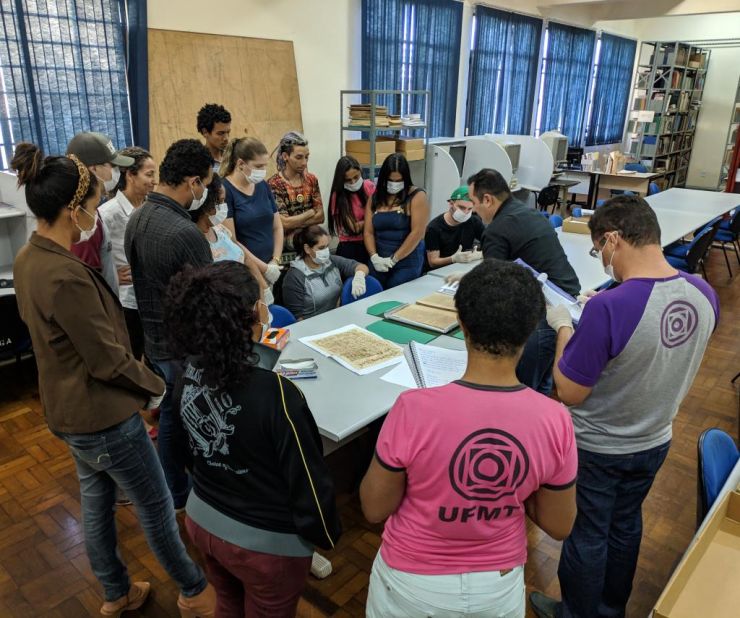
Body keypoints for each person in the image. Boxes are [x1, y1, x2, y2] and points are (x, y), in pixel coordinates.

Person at [10, 143, 216, 618]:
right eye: (90, 204)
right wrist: (156, 387)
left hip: (67, 409)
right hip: (100, 412)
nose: (94, 215)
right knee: (157, 505)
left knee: (97, 499)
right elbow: (107, 361)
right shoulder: (65, 275)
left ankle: (115, 591)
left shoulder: (28, 259)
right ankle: (194, 590)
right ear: (71, 210)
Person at [529, 196, 719, 618]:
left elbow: (568, 390)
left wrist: (564, 326)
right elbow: (657, 341)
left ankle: (576, 614)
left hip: (599, 446)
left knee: (587, 533)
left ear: (613, 239)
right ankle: (612, 608)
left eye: (599, 250)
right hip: (655, 438)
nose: (601, 258)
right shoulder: (703, 292)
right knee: (626, 524)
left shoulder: (608, 308)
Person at [360, 259, 578, 618]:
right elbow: (559, 524)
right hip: (498, 585)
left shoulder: (413, 408)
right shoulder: (555, 419)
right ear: (531, 331)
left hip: (409, 582)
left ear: (461, 325)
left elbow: (374, 507)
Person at [164, 260, 341, 617]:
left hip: (202, 518)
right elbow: (307, 479)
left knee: (228, 602)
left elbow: (180, 446)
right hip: (263, 545)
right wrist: (323, 535)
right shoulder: (278, 393)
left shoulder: (188, 373)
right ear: (252, 314)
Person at [125, 139, 214, 511]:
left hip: (156, 342)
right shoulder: (184, 233)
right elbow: (210, 298)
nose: (204, 192)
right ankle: (177, 493)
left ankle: (174, 487)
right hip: (185, 348)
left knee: (172, 416)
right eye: (204, 184)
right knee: (180, 421)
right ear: (192, 181)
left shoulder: (137, 218)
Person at [465, 168, 580, 395]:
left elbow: (493, 290)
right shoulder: (526, 212)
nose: (473, 209)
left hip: (542, 314)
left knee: (524, 390)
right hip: (565, 306)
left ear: (487, 199)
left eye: (473, 202)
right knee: (543, 383)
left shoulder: (497, 230)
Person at [98, 146, 157, 359]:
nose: (153, 180)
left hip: (151, 295)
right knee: (131, 353)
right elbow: (95, 254)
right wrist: (113, 273)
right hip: (127, 300)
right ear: (130, 175)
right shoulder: (108, 213)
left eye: (154, 175)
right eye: (148, 175)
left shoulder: (150, 205)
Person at [190, 174, 274, 305]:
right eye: (221, 201)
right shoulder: (194, 240)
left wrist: (263, 291)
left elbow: (245, 258)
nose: (224, 207)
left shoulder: (221, 230)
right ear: (206, 204)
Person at [66, 131, 135, 291]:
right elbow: (85, 286)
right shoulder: (84, 223)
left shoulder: (91, 212)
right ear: (93, 169)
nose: (117, 172)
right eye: (112, 165)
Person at [220, 137, 283, 290]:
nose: (262, 171)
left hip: (271, 267)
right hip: (246, 271)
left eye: (264, 166)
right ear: (241, 164)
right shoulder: (225, 190)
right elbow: (231, 240)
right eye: (258, 166)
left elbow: (277, 227)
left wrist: (275, 261)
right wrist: (263, 268)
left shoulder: (263, 186)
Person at [364, 153, 429, 288]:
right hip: (379, 260)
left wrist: (394, 259)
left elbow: (417, 233)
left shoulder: (417, 196)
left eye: (398, 181)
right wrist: (374, 257)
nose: (394, 184)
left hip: (406, 260)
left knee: (396, 294)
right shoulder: (375, 198)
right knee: (374, 293)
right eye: (390, 180)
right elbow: (368, 232)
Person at [282, 225, 369, 320]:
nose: (326, 251)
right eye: (321, 248)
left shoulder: (331, 261)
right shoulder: (295, 276)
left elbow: (361, 266)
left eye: (327, 246)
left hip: (336, 317)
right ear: (307, 249)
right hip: (311, 325)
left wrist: (359, 276)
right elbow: (297, 318)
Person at [267, 131, 323, 254]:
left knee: (323, 240)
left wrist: (296, 222)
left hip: (311, 236)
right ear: (285, 156)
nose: (304, 162)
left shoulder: (311, 180)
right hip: (288, 241)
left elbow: (321, 217)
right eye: (299, 157)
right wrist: (310, 212)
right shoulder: (274, 184)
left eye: (306, 157)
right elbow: (284, 223)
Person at [328, 155, 375, 264]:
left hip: (371, 243)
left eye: (356, 177)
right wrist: (374, 216)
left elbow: (382, 213)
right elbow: (354, 228)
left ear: (361, 171)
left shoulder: (369, 186)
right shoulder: (338, 196)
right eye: (348, 180)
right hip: (349, 248)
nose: (353, 183)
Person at [425, 185, 485, 270]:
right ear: (451, 204)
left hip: (463, 268)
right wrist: (453, 259)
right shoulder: (434, 228)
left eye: (469, 209)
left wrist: (480, 254)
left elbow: (491, 241)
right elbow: (433, 262)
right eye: (461, 207)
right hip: (440, 271)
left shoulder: (473, 222)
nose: (465, 212)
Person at [197, 103, 232, 173]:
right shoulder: (198, 163)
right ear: (205, 132)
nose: (226, 138)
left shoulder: (234, 159)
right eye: (220, 133)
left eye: (228, 132)